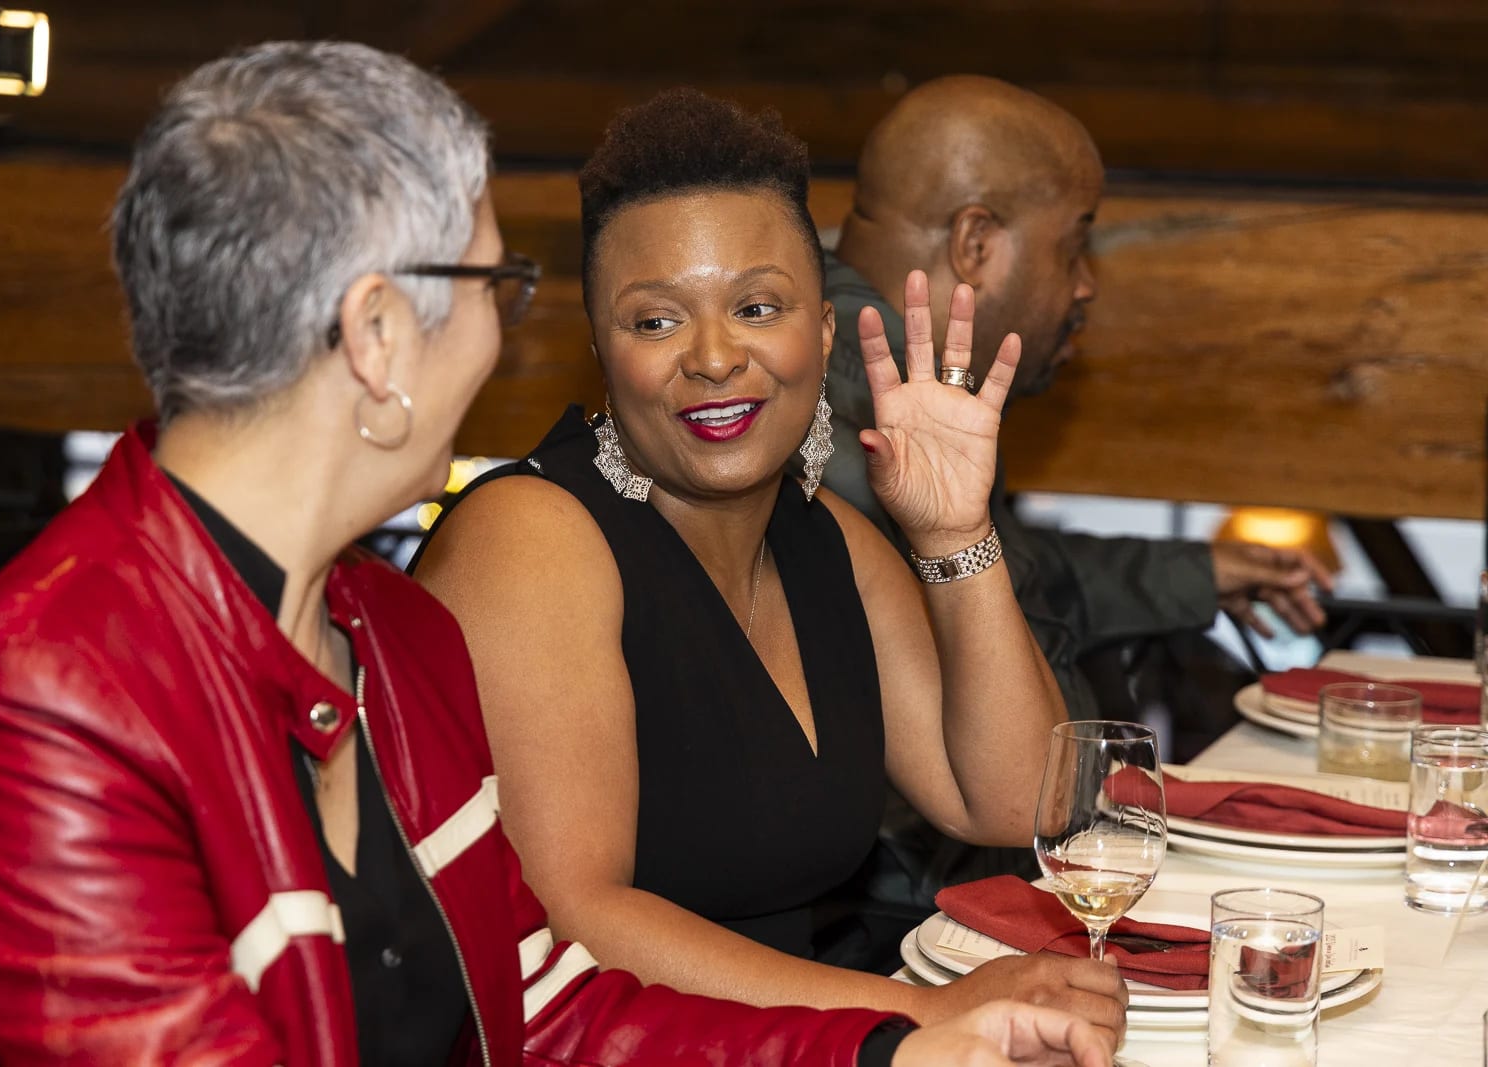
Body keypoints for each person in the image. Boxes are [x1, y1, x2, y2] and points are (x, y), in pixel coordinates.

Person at [0, 45, 1113, 1067]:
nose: (506, 337)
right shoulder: (43, 695)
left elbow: (541, 998)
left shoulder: (390, 628)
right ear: (380, 334)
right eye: (496, 285)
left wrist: (887, 1049)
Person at [413, 88, 1127, 1045]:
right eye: (655, 322)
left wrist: (955, 533)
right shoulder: (531, 538)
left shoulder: (827, 535)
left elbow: (1011, 798)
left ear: (823, 331)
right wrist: (918, 1013)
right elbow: (574, 918)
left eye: (757, 307)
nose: (713, 357)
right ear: (601, 350)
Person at [814, 74, 1336, 902]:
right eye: (1073, 244)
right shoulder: (849, 432)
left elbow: (1016, 573)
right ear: (975, 242)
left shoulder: (906, 389)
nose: (1087, 283)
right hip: (920, 923)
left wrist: (1197, 571)